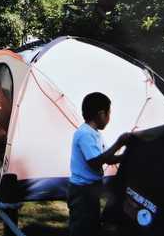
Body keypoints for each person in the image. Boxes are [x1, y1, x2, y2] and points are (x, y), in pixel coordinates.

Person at [68, 92, 132, 236]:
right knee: (81, 227)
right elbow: (95, 161)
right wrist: (119, 143)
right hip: (81, 191)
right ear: (101, 114)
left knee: (91, 224)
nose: (109, 118)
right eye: (109, 114)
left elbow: (107, 158)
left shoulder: (95, 133)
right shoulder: (85, 134)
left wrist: (126, 156)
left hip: (91, 189)